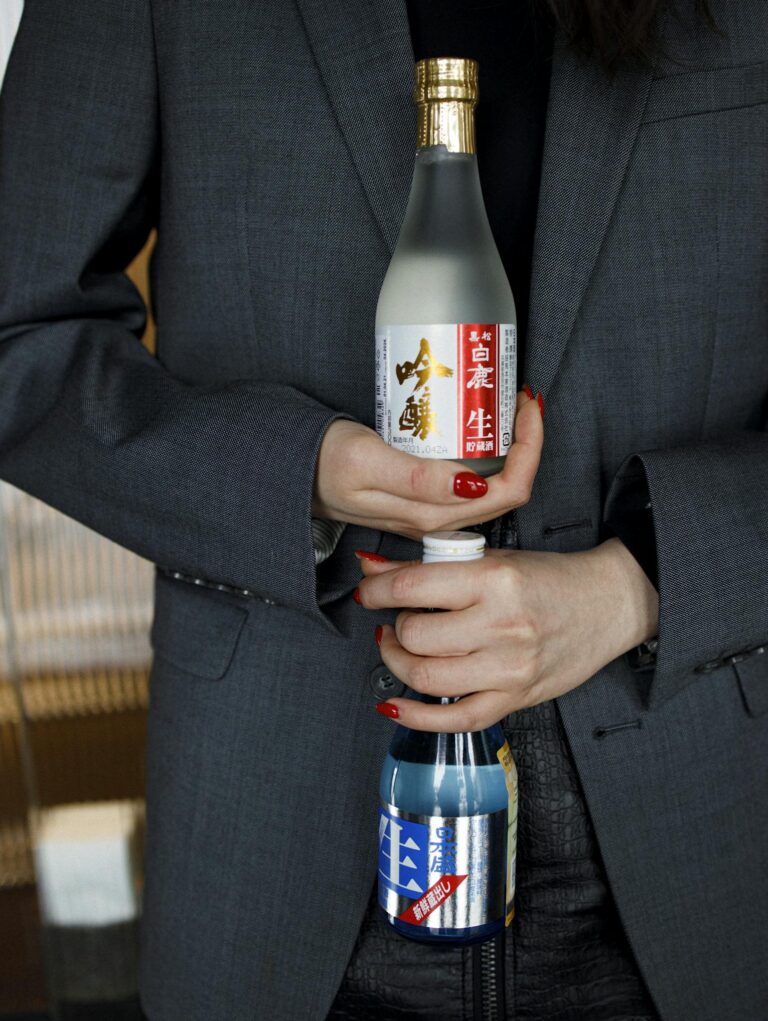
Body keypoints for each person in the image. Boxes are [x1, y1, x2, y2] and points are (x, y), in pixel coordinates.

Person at [1, 1, 766, 1018]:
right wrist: (294, 474)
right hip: (279, 851)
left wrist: (643, 584)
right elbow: (21, 333)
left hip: (698, 860)